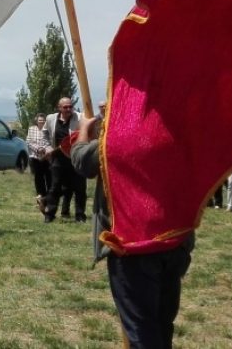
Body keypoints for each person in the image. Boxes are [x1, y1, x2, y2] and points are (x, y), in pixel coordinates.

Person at [72, 115, 193, 348]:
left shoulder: (126, 133)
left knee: (142, 332)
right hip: (174, 240)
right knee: (160, 325)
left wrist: (84, 130)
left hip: (134, 245)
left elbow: (83, 161)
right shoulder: (178, 128)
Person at [40, 98, 88, 223]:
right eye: (65, 107)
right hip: (58, 159)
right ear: (59, 107)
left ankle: (80, 216)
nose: (68, 109)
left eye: (70, 106)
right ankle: (49, 214)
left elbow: (88, 130)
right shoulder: (51, 118)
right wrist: (47, 147)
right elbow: (44, 133)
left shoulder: (80, 117)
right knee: (55, 187)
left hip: (76, 157)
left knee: (80, 188)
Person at [25, 114, 52, 200]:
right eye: (40, 120)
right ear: (36, 121)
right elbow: (29, 141)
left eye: (43, 120)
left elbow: (50, 140)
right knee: (38, 176)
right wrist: (38, 149)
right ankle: (40, 193)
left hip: (46, 156)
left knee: (48, 175)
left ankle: (50, 193)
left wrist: (44, 149)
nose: (41, 122)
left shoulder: (48, 129)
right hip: (35, 156)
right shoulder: (31, 129)